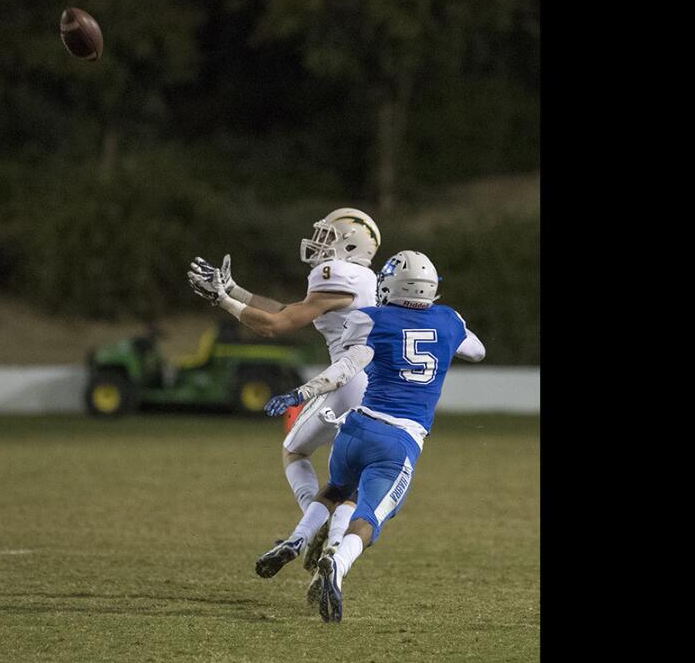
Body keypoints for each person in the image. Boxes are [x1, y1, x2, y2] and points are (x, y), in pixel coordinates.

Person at [252, 250, 486, 622]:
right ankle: (337, 566)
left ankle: (297, 539)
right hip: (400, 440)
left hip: (356, 427)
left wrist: (300, 394)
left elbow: (345, 369)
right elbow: (477, 351)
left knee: (334, 490)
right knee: (368, 521)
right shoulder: (450, 320)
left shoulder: (371, 318)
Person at [188, 208, 381, 574]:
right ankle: (334, 548)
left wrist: (222, 301)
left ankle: (314, 524)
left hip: (348, 381)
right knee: (351, 483)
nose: (319, 242)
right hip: (376, 387)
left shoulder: (339, 273)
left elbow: (276, 325)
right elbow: (287, 309)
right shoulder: (362, 280)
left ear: (351, 244)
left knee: (294, 450)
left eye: (329, 236)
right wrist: (234, 289)